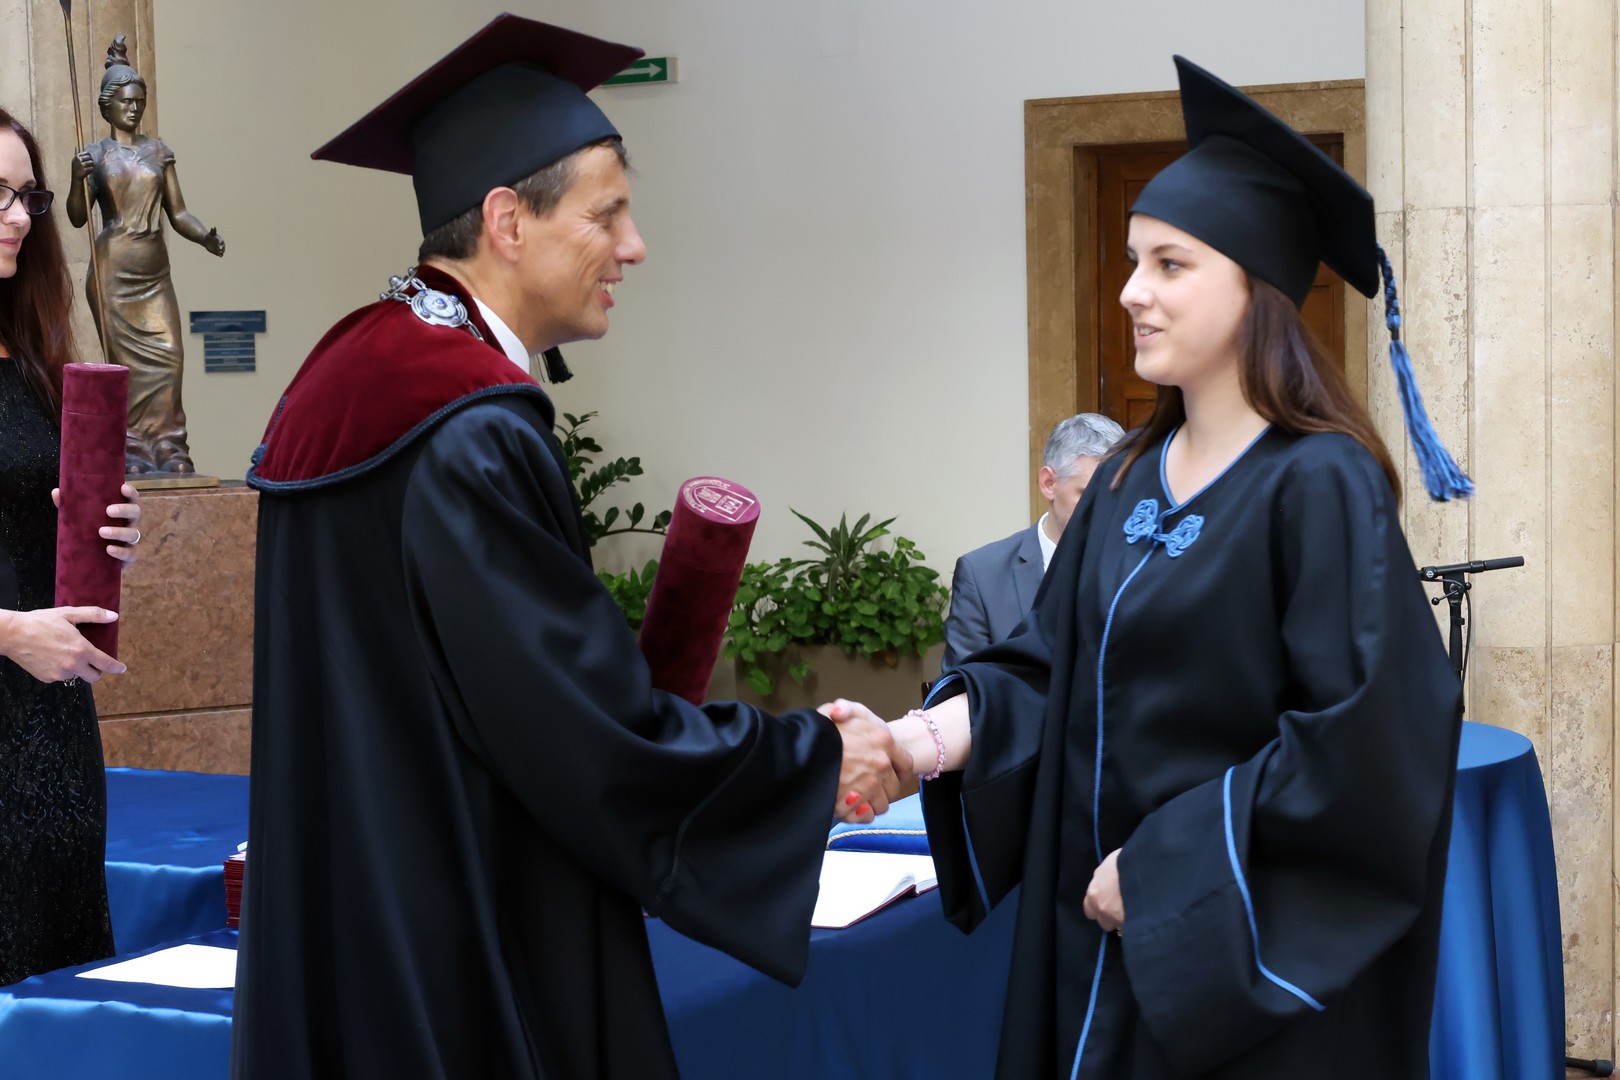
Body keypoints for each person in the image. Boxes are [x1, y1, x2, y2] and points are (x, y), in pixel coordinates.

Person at [232, 16, 906, 1080]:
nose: (633, 247)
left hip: (355, 919)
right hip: (470, 937)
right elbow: (586, 735)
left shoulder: (348, 376)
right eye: (607, 214)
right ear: (508, 220)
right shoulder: (466, 427)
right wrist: (812, 765)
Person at [835, 57, 1467, 1078]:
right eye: (1133, 261)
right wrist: (911, 743)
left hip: (1229, 970)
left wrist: (1168, 872)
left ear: (1256, 289)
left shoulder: (1318, 484)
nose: (1133, 291)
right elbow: (1044, 670)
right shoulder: (1128, 478)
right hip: (1089, 948)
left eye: (1171, 265)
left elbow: (1369, 744)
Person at [0, 107, 145, 987]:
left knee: (55, 989)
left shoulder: (32, 350)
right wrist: (8, 632)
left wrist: (108, 529)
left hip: (49, 722)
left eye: (28, 195)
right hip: (18, 661)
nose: (19, 216)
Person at [65, 35, 225, 476]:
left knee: (171, 358)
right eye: (126, 102)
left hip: (154, 271)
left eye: (140, 101)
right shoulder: (94, 154)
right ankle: (134, 450)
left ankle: (171, 448)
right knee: (126, 369)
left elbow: (179, 212)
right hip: (113, 272)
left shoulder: (158, 151)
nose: (134, 109)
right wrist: (76, 178)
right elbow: (78, 218)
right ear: (108, 105)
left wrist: (205, 237)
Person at [942, 412, 1123, 668]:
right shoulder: (982, 576)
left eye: (1115, 494)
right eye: (1088, 495)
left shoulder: (1140, 566)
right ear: (1049, 483)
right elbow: (964, 683)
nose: (1105, 509)